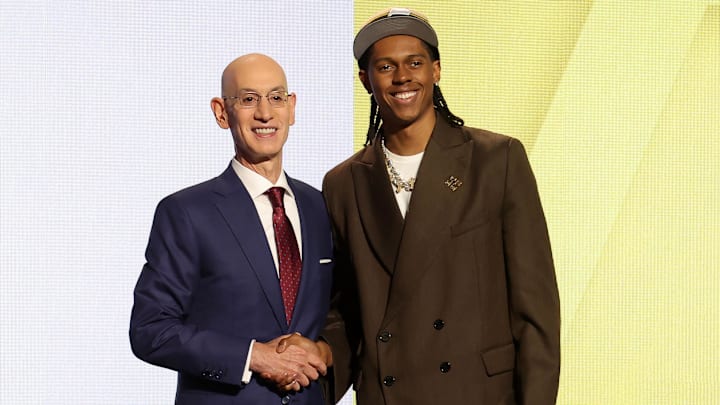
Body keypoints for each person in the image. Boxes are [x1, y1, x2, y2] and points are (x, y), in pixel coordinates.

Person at [277, 8, 560, 405]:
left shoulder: (496, 160)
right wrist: (315, 357)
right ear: (365, 80)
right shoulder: (343, 183)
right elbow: (347, 309)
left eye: (415, 62)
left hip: (480, 393)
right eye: (385, 66)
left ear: (436, 70)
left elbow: (535, 308)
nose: (403, 77)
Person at [129, 53, 333, 404]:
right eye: (249, 99)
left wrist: (324, 351)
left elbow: (342, 313)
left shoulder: (320, 207)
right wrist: (253, 356)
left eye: (276, 97)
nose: (265, 113)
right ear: (222, 113)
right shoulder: (187, 212)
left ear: (292, 107)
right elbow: (151, 330)